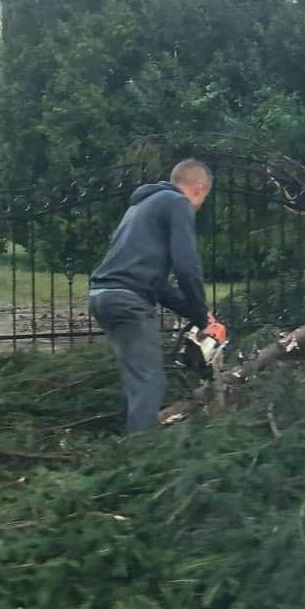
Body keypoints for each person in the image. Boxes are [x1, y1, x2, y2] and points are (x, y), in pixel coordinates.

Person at [89, 159, 226, 433]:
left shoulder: (141, 206)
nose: (198, 207)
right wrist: (202, 318)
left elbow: (159, 286)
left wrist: (198, 314)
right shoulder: (177, 203)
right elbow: (187, 266)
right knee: (149, 381)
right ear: (200, 188)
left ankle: (132, 443)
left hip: (103, 295)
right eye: (203, 199)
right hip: (127, 299)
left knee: (138, 378)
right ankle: (142, 458)